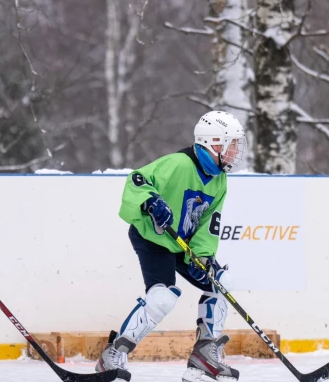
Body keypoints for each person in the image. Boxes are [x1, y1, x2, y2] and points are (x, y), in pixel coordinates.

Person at [95, 111, 246, 382]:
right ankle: (113, 355)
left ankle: (203, 357)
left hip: (183, 244)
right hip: (153, 239)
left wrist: (203, 257)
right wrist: (151, 201)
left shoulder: (220, 180)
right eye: (231, 144)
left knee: (221, 282)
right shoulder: (178, 164)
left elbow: (208, 223)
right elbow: (137, 181)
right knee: (163, 298)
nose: (235, 151)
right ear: (213, 142)